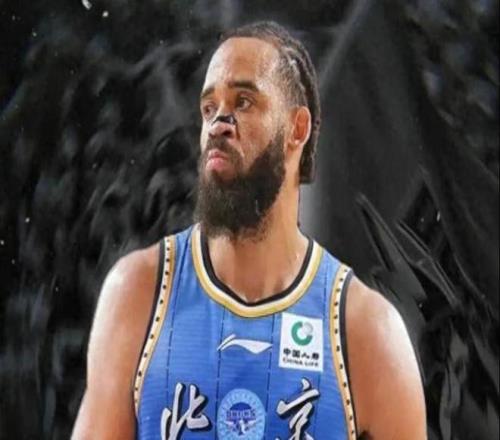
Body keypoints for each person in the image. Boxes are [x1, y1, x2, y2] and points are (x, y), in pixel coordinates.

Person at [72, 21, 426, 440]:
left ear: (297, 129)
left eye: (243, 101)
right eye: (209, 108)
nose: (219, 121)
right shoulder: (138, 293)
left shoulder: (367, 330)